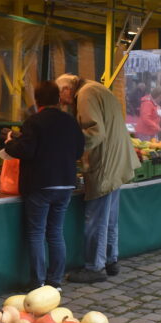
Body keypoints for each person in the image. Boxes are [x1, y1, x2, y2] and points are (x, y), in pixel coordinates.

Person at [57, 73, 140, 282]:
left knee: (96, 218)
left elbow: (95, 132)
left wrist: (71, 146)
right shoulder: (95, 88)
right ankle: (111, 260)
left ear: (67, 89)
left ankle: (94, 267)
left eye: (61, 96)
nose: (62, 102)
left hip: (105, 162)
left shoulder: (86, 94)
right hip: (117, 158)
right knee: (109, 217)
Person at [3, 81, 84, 289]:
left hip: (40, 185)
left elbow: (26, 151)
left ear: (37, 100)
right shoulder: (71, 122)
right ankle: (55, 281)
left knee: (37, 233)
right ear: (58, 99)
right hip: (65, 184)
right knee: (56, 232)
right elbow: (78, 151)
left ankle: (37, 282)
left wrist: (11, 142)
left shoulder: (34, 122)